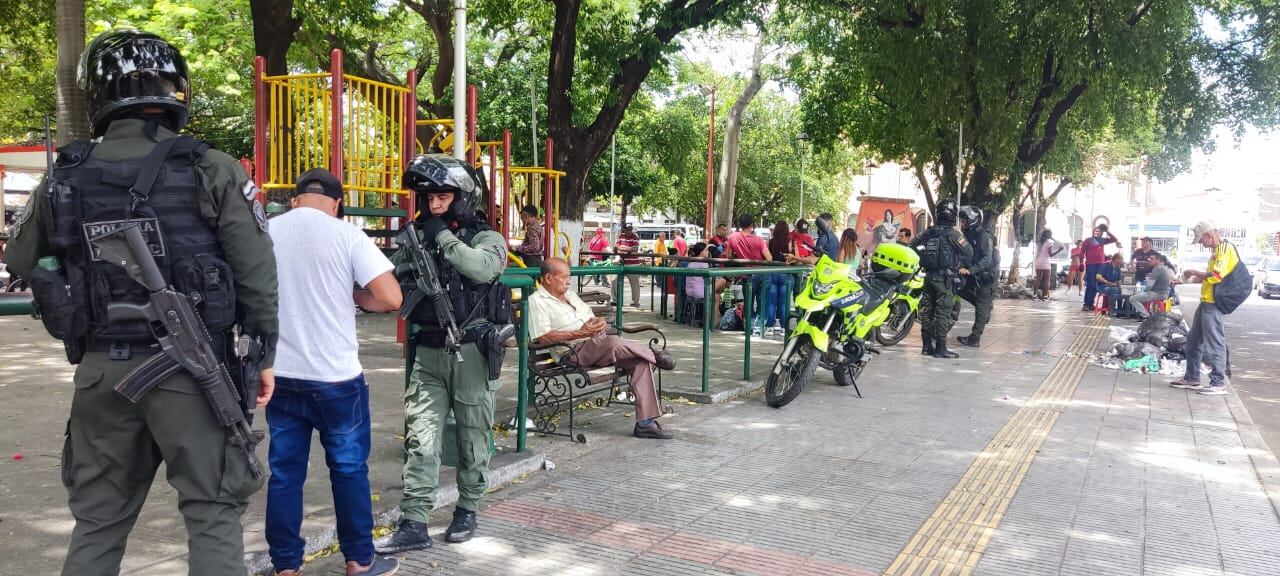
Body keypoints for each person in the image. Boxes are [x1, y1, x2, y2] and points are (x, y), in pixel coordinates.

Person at [3, 30, 278, 575]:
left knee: (99, 522)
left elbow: (19, 256)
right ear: (176, 90)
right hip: (191, 370)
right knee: (212, 512)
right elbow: (257, 274)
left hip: (101, 374)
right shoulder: (212, 166)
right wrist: (263, 354)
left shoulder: (66, 173)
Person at [266, 169, 401, 576]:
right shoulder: (347, 236)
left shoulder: (266, 232)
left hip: (280, 374)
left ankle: (286, 567)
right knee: (347, 469)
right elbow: (390, 297)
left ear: (294, 200)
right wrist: (356, 297)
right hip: (336, 379)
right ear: (337, 204)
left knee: (284, 474)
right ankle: (359, 561)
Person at [378, 153, 509, 552]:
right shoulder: (419, 236)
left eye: (443, 197)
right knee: (421, 439)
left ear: (463, 197)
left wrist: (442, 237)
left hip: (470, 351)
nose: (434, 205)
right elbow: (388, 271)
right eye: (428, 198)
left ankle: (467, 508)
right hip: (430, 353)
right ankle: (414, 520)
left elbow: (483, 269)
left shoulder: (487, 237)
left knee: (472, 438)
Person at [529, 258, 677, 438]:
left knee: (640, 362)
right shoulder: (537, 301)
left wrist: (597, 323)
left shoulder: (570, 295)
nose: (568, 281)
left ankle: (645, 423)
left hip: (595, 344)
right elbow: (543, 337)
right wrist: (579, 333)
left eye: (569, 276)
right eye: (564, 277)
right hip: (571, 351)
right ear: (548, 278)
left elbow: (590, 317)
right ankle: (653, 354)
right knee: (613, 342)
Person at [1170, 221, 1244, 396]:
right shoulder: (1216, 251)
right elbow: (1208, 278)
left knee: (1215, 344)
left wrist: (1194, 272)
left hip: (1214, 304)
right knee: (1194, 341)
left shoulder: (1225, 249)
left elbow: (1216, 276)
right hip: (1206, 302)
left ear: (1209, 235)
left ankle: (1218, 382)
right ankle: (1192, 377)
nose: (1202, 244)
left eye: (1201, 240)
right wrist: (1184, 280)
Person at [911, 200, 972, 359]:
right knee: (943, 313)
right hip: (945, 279)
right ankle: (940, 348)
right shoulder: (953, 234)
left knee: (927, 311)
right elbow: (969, 251)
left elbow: (913, 247)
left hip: (928, 276)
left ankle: (926, 346)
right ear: (953, 215)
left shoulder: (927, 233)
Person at [953, 206, 999, 348]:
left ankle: (974, 339)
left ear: (973, 220)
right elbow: (965, 254)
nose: (962, 224)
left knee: (981, 309)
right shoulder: (969, 235)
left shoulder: (984, 236)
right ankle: (985, 307)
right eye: (961, 221)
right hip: (975, 275)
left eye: (965, 221)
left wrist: (970, 270)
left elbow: (986, 258)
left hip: (986, 278)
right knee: (960, 289)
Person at [725, 214, 772, 334]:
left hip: (746, 275)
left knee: (748, 302)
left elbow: (729, 256)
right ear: (752, 225)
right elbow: (769, 258)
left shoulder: (733, 237)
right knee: (763, 302)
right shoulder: (759, 240)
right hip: (761, 274)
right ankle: (759, 327)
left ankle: (748, 326)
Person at [1081, 223, 1119, 311]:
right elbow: (1082, 252)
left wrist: (1107, 231)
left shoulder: (1102, 240)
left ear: (1102, 232)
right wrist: (1081, 263)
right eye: (1096, 230)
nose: (1097, 232)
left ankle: (1091, 304)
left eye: (1099, 231)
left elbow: (1114, 239)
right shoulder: (1088, 240)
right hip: (1091, 264)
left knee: (1097, 285)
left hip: (1101, 265)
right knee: (1090, 284)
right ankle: (1086, 304)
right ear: (1093, 231)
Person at [765, 221, 793, 334]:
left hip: (773, 272)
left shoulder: (770, 242)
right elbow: (791, 255)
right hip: (785, 273)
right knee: (783, 303)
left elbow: (768, 257)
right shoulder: (789, 241)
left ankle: (770, 325)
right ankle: (783, 326)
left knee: (771, 302)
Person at [1132, 252, 1174, 318]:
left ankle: (1146, 315)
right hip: (1163, 293)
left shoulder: (1157, 269)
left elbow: (1150, 285)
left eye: (1152, 259)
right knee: (1139, 295)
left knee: (1133, 298)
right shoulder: (1163, 268)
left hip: (1158, 293)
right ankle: (1146, 313)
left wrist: (1143, 291)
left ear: (1158, 260)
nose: (1149, 260)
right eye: (1149, 258)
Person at [1033, 229, 1065, 300]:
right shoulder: (1049, 243)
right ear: (1049, 235)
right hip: (1045, 263)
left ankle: (1034, 295)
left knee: (1038, 279)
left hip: (1038, 262)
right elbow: (1050, 254)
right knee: (1046, 280)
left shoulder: (1040, 243)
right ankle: (1045, 296)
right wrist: (1059, 250)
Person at [615, 223, 642, 307]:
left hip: (633, 264)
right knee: (615, 281)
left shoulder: (635, 237)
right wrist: (628, 249)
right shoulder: (621, 236)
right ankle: (616, 300)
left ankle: (635, 302)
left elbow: (635, 249)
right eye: (628, 229)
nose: (629, 231)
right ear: (624, 230)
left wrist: (622, 248)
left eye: (630, 229)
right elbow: (616, 247)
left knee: (635, 284)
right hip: (622, 263)